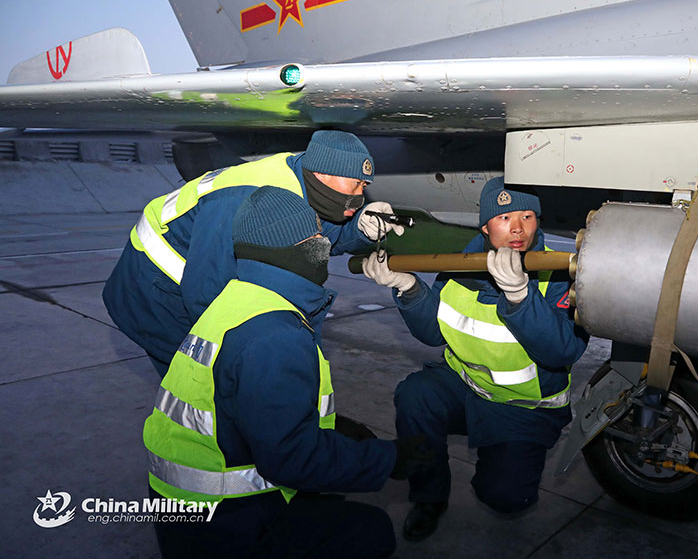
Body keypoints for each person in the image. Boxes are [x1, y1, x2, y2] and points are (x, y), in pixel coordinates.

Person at [143, 186, 429, 558]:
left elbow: (241, 402)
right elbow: (291, 459)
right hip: (224, 524)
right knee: (370, 530)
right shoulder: (275, 335)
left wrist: (335, 429)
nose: (324, 245)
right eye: (315, 235)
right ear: (287, 247)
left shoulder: (238, 299)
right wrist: (389, 458)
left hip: (184, 507)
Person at [361, 176, 589, 541]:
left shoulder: (560, 273)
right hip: (467, 387)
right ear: (485, 227)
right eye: (504, 218)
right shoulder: (460, 265)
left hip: (523, 408)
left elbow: (563, 351)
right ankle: (429, 497)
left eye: (527, 216)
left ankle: (501, 462)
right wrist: (409, 287)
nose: (518, 228)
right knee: (416, 394)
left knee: (505, 496)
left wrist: (520, 296)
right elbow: (434, 333)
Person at [103, 130, 404, 376]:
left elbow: (320, 239)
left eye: (364, 186)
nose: (360, 195)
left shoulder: (303, 179)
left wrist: (360, 229)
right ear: (324, 174)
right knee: (202, 380)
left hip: (192, 274)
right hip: (154, 287)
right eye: (356, 184)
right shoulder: (243, 199)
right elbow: (206, 290)